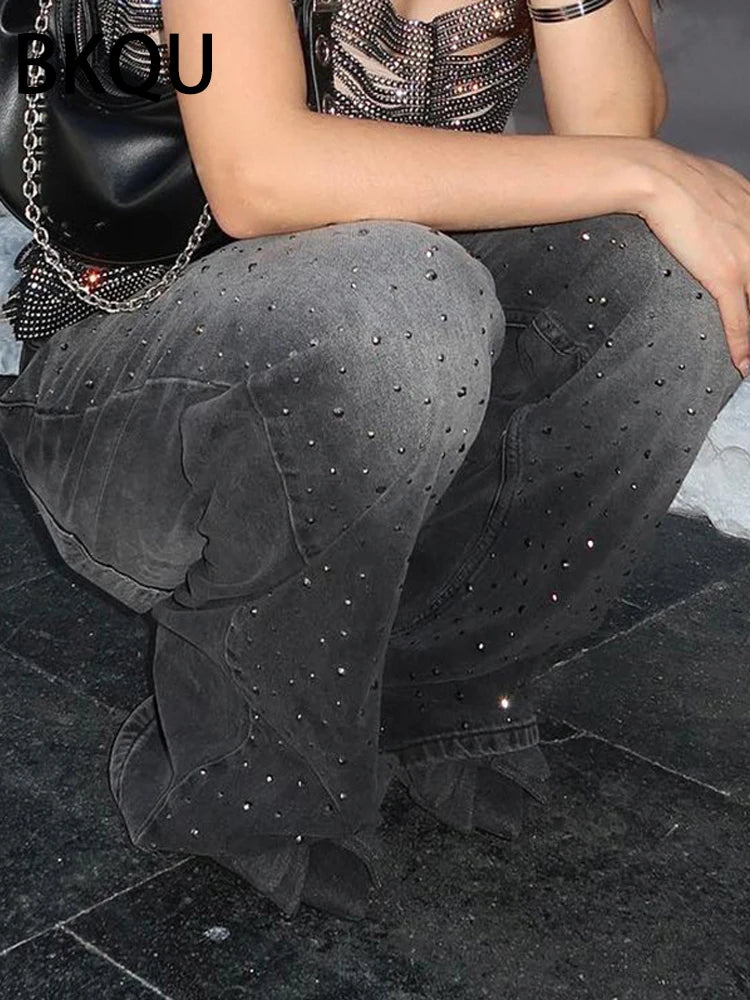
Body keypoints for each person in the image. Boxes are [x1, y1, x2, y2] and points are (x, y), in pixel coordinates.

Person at [1, 0, 749, 922]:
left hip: (406, 337)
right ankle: (252, 763)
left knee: (675, 282)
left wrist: (642, 165)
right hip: (144, 368)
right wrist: (648, 171)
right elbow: (258, 178)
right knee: (396, 301)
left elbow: (612, 135)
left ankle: (440, 686)